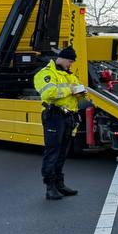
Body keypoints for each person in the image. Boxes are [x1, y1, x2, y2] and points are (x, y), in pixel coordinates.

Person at [34, 45, 86, 201]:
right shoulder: (46, 74)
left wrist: (81, 93)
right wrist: (70, 90)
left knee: (62, 152)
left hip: (68, 117)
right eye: (69, 61)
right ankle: (50, 187)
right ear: (61, 58)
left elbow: (77, 94)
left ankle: (59, 184)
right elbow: (49, 93)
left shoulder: (69, 75)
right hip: (54, 116)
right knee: (52, 152)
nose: (71, 65)